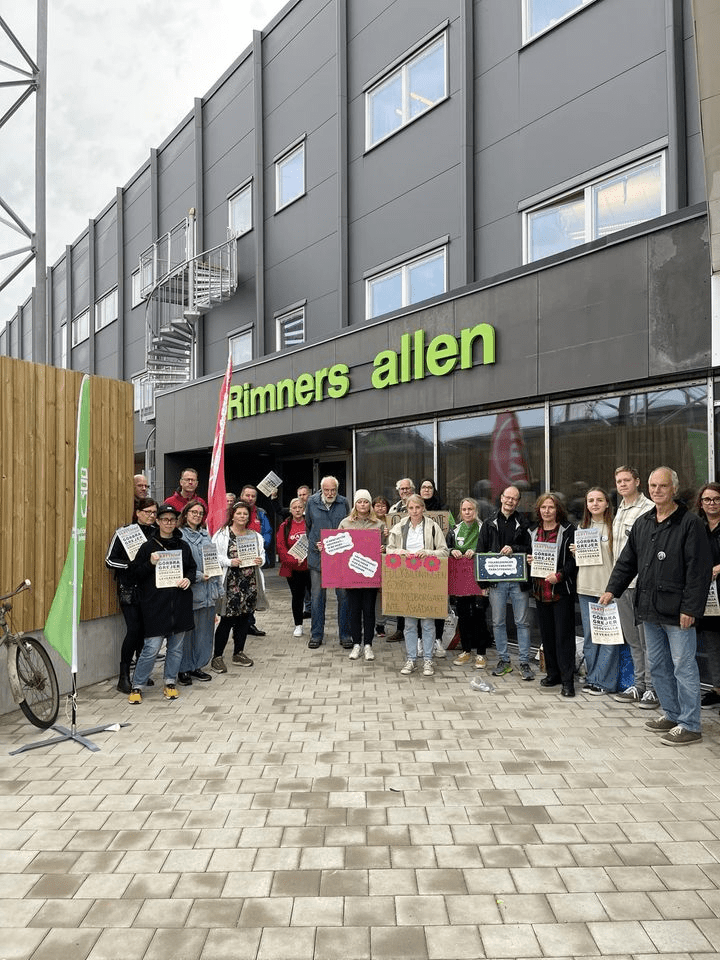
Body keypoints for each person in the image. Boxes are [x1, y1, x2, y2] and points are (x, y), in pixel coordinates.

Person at [600, 467, 712, 746]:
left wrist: (691, 609)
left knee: (683, 667)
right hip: (649, 607)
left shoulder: (690, 523)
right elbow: (627, 561)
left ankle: (690, 724)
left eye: (663, 485)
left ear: (674, 488)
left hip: (678, 611)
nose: (657, 490)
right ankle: (672, 714)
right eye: (653, 486)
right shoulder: (644, 522)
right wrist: (612, 589)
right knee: (658, 665)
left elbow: (698, 571)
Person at [128, 504, 196, 704]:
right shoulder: (147, 547)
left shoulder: (183, 546)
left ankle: (170, 682)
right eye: (165, 519)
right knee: (151, 648)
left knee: (176, 649)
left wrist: (188, 579)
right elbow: (135, 574)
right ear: (157, 521)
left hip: (179, 605)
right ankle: (137, 685)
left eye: (172, 519)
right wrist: (150, 563)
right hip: (155, 606)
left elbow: (192, 568)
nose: (169, 523)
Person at [386, 494, 448, 677]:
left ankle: (428, 659)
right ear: (407, 509)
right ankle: (411, 659)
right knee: (409, 623)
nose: (414, 511)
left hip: (427, 578)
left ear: (423, 508)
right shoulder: (399, 527)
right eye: (411, 508)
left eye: (418, 508)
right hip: (406, 578)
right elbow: (389, 549)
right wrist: (400, 551)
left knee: (428, 622)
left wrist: (428, 552)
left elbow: (444, 551)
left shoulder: (433, 527)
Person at [611, 466, 657, 708]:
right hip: (622, 585)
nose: (622, 484)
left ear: (637, 482)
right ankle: (639, 686)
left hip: (642, 585)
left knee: (648, 641)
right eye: (619, 481)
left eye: (627, 480)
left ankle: (653, 689)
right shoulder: (619, 509)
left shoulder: (648, 508)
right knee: (633, 640)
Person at [476, 485, 533, 679]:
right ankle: (504, 660)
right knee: (498, 622)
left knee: (522, 622)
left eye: (514, 499)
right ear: (501, 498)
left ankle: (524, 662)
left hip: (518, 581)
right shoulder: (488, 522)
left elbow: (530, 549)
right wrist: (482, 584)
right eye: (507, 497)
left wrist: (514, 548)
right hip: (496, 582)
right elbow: (480, 552)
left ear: (518, 502)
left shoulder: (524, 523)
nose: (510, 501)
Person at [105, 497, 158, 693]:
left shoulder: (157, 533)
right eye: (147, 512)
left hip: (150, 589)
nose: (151, 515)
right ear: (137, 513)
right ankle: (124, 676)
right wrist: (131, 566)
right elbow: (110, 560)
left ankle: (141, 673)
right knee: (134, 630)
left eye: (154, 512)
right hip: (129, 589)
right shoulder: (125, 532)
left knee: (145, 631)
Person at [529, 493, 577, 696]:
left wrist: (560, 575)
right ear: (538, 510)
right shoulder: (532, 530)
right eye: (543, 507)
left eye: (551, 507)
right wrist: (530, 560)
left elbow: (573, 560)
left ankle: (568, 681)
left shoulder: (568, 530)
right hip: (540, 591)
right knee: (547, 636)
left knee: (563, 637)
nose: (547, 511)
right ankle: (552, 674)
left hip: (560, 591)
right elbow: (527, 553)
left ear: (558, 510)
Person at [571, 487, 617, 696]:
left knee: (607, 637)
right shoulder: (582, 527)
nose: (595, 504)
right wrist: (576, 552)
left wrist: (613, 589)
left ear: (607, 503)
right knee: (590, 636)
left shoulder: (614, 526)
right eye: (591, 500)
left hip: (607, 590)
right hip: (585, 587)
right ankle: (592, 677)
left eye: (599, 500)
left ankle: (604, 682)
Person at [211, 501, 265, 672]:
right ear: (232, 515)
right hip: (230, 583)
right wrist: (229, 562)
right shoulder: (222, 534)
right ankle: (217, 657)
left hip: (250, 583)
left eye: (245, 514)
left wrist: (261, 560)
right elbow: (213, 555)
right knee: (227, 620)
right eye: (239, 513)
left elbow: (262, 554)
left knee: (244, 619)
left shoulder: (255, 536)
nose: (242, 516)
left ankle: (238, 653)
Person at [177, 499, 223, 685]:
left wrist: (218, 588)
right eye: (193, 512)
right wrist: (197, 576)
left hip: (208, 592)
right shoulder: (179, 535)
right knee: (187, 633)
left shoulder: (206, 535)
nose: (197, 515)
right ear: (186, 514)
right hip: (190, 591)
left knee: (204, 633)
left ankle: (197, 666)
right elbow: (178, 565)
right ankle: (183, 669)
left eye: (200, 513)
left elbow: (214, 562)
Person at [338, 490, 386, 661]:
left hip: (371, 574)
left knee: (369, 610)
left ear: (370, 504)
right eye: (360, 502)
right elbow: (338, 547)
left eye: (366, 502)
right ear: (355, 504)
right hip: (351, 575)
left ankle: (368, 645)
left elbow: (387, 547)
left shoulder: (379, 524)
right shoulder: (345, 523)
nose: (363, 505)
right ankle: (356, 644)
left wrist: (384, 548)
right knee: (354, 610)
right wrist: (326, 546)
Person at [305, 476, 351, 649]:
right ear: (321, 489)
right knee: (317, 597)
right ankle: (316, 634)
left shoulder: (343, 502)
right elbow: (308, 527)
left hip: (339, 559)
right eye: (327, 490)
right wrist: (315, 543)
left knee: (344, 596)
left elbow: (348, 526)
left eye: (333, 490)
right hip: (318, 558)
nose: (330, 493)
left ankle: (345, 635)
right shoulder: (311, 502)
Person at [447, 497, 491, 669]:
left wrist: (477, 551)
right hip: (461, 580)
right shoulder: (455, 530)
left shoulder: (484, 528)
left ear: (476, 511)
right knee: (463, 615)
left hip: (479, 580)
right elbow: (446, 548)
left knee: (479, 616)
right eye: (464, 509)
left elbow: (490, 549)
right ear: (460, 512)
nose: (467, 512)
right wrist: (453, 551)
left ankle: (481, 653)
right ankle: (466, 650)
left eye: (470, 509)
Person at [694, 483, 720, 710]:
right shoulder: (698, 528)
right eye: (707, 499)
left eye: (716, 499)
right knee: (712, 645)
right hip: (708, 597)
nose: (711, 503)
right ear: (700, 504)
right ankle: (717, 689)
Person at [239, 484, 273, 632]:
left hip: (254, 559)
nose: (250, 498)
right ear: (241, 496)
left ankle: (249, 624)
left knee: (253, 591)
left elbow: (268, 532)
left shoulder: (260, 513)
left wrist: (260, 545)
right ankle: (237, 624)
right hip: (236, 560)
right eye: (247, 495)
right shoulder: (234, 512)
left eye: (253, 496)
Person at [276, 497, 311, 637]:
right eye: (294, 507)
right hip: (293, 568)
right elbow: (280, 547)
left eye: (300, 507)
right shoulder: (285, 526)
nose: (297, 510)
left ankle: (317, 625)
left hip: (310, 567)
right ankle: (298, 625)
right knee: (297, 597)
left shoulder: (310, 523)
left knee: (315, 597)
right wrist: (293, 560)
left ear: (304, 509)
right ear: (290, 510)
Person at [387, 479, 415, 642]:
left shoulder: (417, 506)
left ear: (412, 490)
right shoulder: (394, 509)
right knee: (400, 594)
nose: (405, 491)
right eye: (402, 489)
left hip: (415, 558)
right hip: (399, 557)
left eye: (407, 488)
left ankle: (415, 632)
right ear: (398, 491)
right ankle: (400, 629)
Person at [372, 495, 392, 637]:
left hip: (385, 563)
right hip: (369, 563)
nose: (380, 508)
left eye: (383, 506)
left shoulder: (392, 523)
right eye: (377, 506)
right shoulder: (369, 521)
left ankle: (380, 624)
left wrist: (386, 545)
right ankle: (368, 623)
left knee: (381, 595)